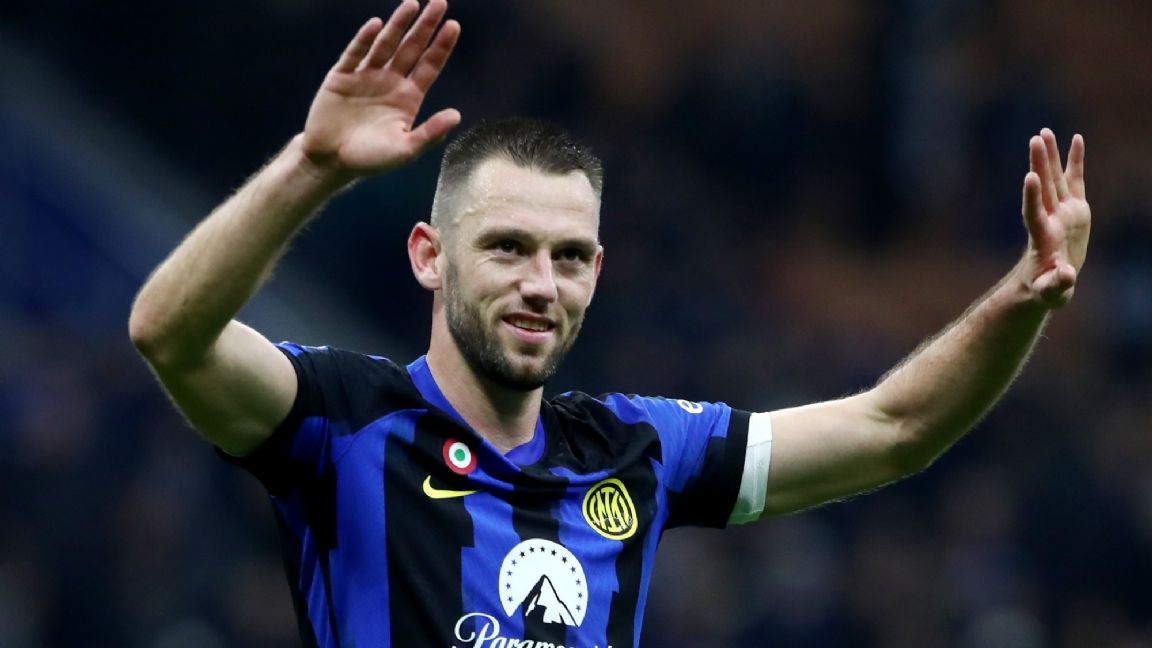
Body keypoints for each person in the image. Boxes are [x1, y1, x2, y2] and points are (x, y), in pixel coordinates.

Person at [128, 1, 1091, 646]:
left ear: (597, 272)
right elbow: (168, 332)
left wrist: (1021, 296)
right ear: (429, 256)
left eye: (569, 256)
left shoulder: (640, 449)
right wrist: (313, 167)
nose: (540, 283)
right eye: (507, 248)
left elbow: (894, 428)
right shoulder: (344, 418)